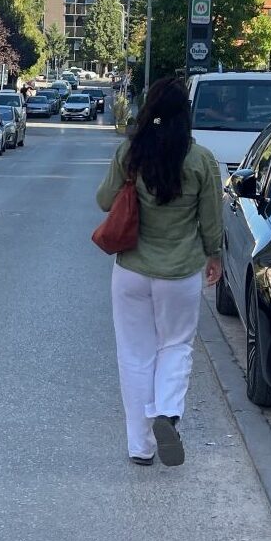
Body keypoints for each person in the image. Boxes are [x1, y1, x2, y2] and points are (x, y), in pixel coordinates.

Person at [94, 77, 223, 468]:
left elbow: (103, 201)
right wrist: (214, 255)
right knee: (176, 345)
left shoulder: (131, 153)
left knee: (135, 354)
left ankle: (141, 447)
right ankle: (167, 411)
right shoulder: (201, 160)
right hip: (180, 273)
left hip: (132, 269)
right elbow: (211, 220)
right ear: (186, 114)